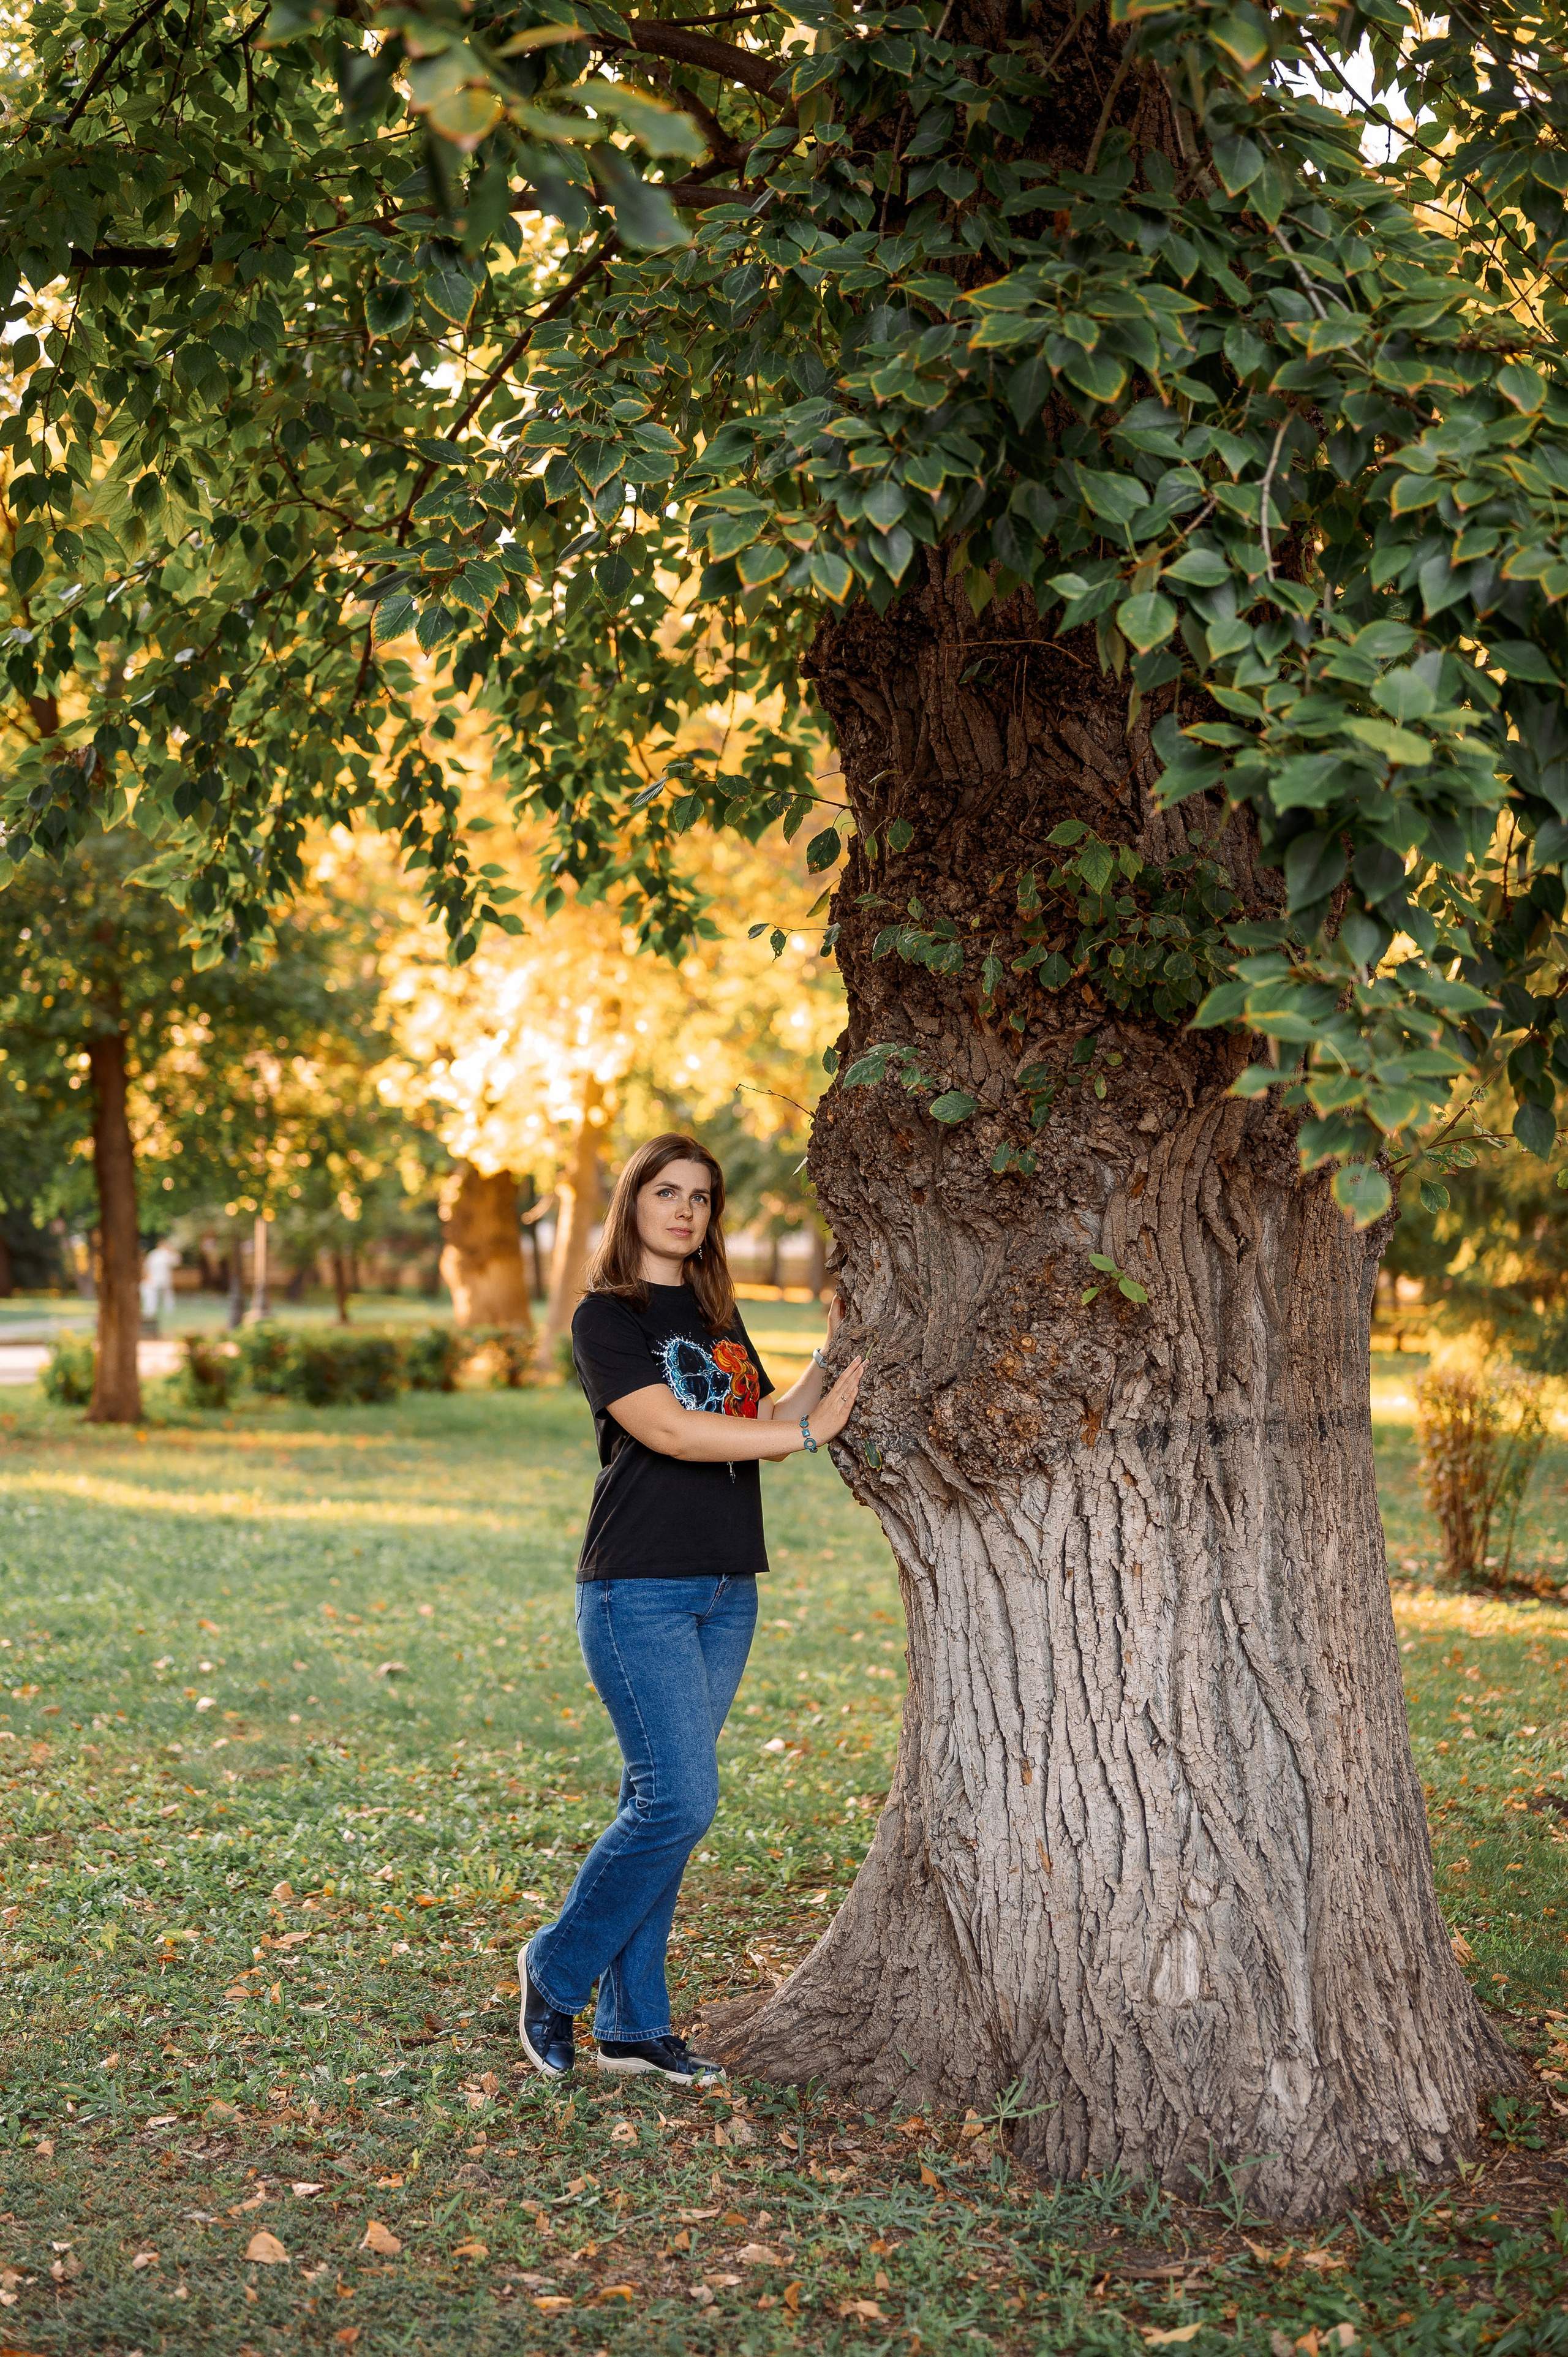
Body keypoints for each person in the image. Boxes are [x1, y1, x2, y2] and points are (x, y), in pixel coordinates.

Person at [519, 1131, 864, 2086]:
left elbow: (749, 1420)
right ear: (632, 1200)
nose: (685, 1210)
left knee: (658, 1805)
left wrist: (830, 1362)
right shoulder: (606, 1316)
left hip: (725, 1588)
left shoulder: (715, 1309)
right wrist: (808, 1434)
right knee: (681, 1798)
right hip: (639, 1586)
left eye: (702, 1197)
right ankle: (553, 1969)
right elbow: (670, 1429)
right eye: (666, 1191)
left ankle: (634, 2025)